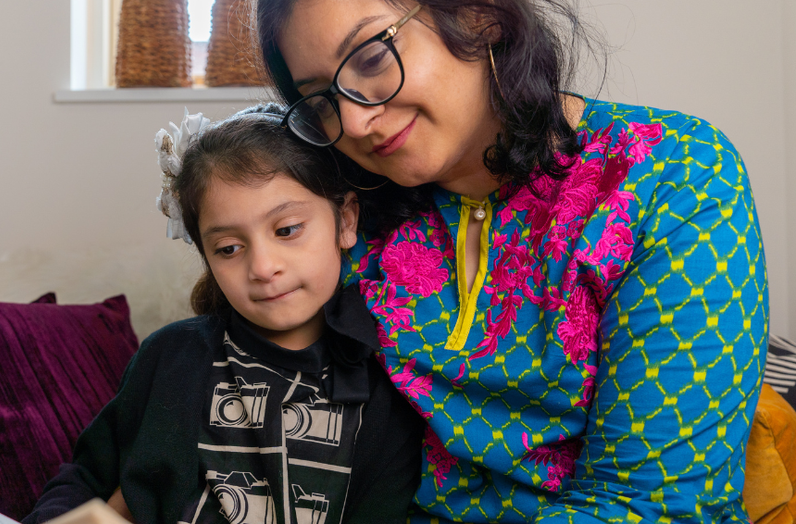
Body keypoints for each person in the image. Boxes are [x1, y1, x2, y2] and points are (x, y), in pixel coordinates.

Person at [253, 0, 769, 522]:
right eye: (320, 100)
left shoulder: (671, 175)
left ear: (480, 16)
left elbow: (652, 506)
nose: (355, 121)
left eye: (370, 59)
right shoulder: (341, 211)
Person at [21, 105, 426, 524]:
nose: (263, 267)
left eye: (286, 230)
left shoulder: (390, 383)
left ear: (345, 220)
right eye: (229, 248)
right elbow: (86, 477)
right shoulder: (172, 355)